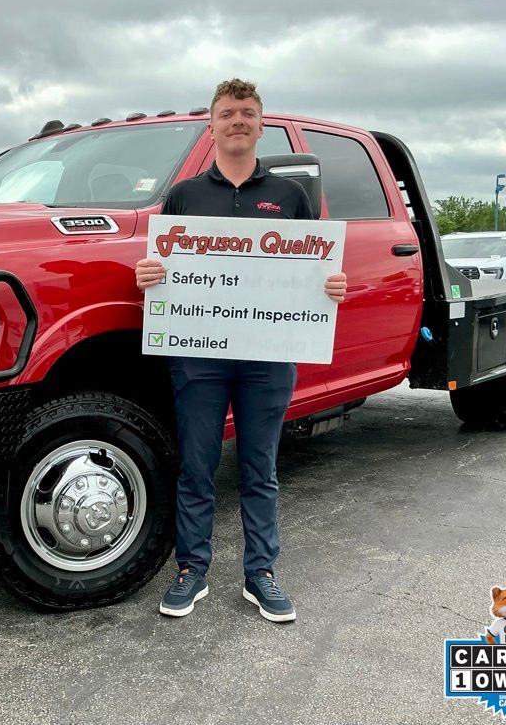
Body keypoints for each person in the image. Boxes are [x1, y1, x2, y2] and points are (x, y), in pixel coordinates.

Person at [135, 79, 348, 621]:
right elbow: (166, 269)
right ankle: (192, 570)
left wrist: (331, 284)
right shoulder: (185, 196)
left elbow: (315, 267)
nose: (238, 121)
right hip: (199, 355)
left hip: (269, 356)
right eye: (228, 113)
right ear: (213, 124)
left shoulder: (291, 197)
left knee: (259, 466)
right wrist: (151, 275)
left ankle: (261, 573)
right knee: (198, 466)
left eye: (247, 113)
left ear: (260, 123)